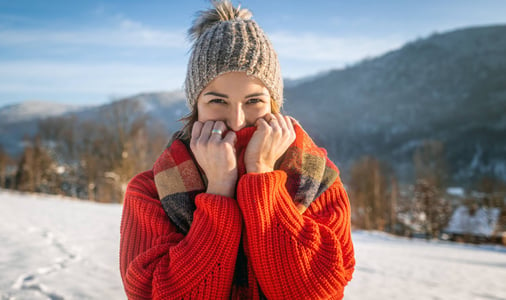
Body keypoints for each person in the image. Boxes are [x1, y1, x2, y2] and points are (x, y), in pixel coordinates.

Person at [119, 1, 355, 299]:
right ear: (195, 106)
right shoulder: (151, 191)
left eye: (254, 101)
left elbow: (317, 292)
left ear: (274, 104)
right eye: (217, 101)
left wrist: (261, 179)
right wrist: (218, 190)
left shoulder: (319, 182)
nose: (237, 120)